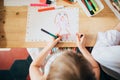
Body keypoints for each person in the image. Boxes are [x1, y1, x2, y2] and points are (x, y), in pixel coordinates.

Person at [29, 33, 100, 80]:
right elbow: (95, 67)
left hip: (47, 57)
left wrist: (49, 46)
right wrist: (82, 48)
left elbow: (34, 66)